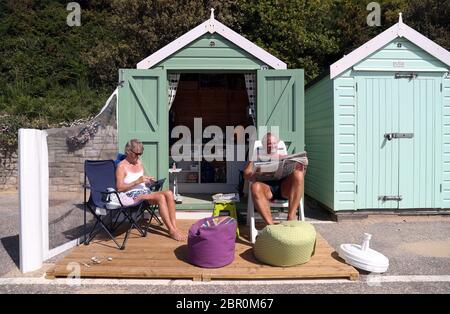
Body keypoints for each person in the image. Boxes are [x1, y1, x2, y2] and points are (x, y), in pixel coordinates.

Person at [116, 139, 186, 241]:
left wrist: (147, 181)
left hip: (145, 192)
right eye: (136, 153)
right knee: (160, 197)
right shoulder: (121, 167)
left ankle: (175, 227)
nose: (139, 156)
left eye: (141, 153)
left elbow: (141, 181)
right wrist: (137, 181)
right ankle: (171, 231)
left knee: (169, 193)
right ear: (128, 151)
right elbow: (119, 188)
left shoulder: (139, 162)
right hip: (132, 196)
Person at [242, 133, 306, 225]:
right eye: (269, 144)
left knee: (298, 175)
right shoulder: (257, 155)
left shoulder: (283, 156)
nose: (272, 146)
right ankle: (271, 226)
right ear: (264, 145)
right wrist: (253, 170)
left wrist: (298, 167)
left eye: (274, 144)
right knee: (255, 187)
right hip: (266, 190)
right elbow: (246, 175)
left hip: (284, 188)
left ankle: (291, 219)